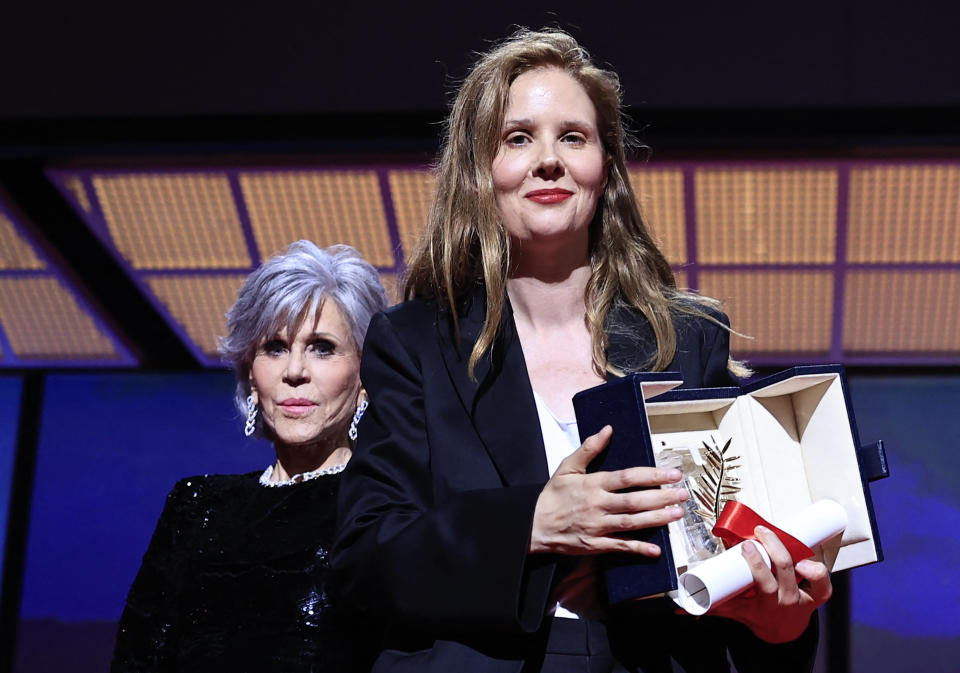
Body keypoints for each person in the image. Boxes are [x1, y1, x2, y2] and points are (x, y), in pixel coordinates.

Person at [333, 29, 831, 673]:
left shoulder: (688, 339)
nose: (549, 159)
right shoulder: (414, 344)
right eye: (518, 138)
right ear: (480, 172)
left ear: (606, 170)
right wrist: (532, 524)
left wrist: (781, 626)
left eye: (573, 136)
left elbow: (726, 583)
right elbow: (367, 562)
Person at [112, 241, 388, 673]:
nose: (294, 371)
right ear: (252, 377)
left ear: (366, 374)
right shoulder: (195, 506)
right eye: (275, 348)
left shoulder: (389, 504)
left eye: (322, 347)